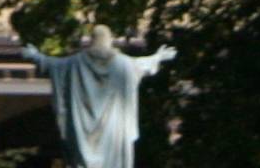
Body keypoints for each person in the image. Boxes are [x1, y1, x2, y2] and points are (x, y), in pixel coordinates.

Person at [19, 25, 174, 168]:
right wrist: (158, 57)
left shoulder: (74, 63)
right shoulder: (124, 64)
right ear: (110, 40)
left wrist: (35, 55)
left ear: (92, 40)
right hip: (113, 134)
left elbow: (51, 64)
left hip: (83, 136)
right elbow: (143, 64)